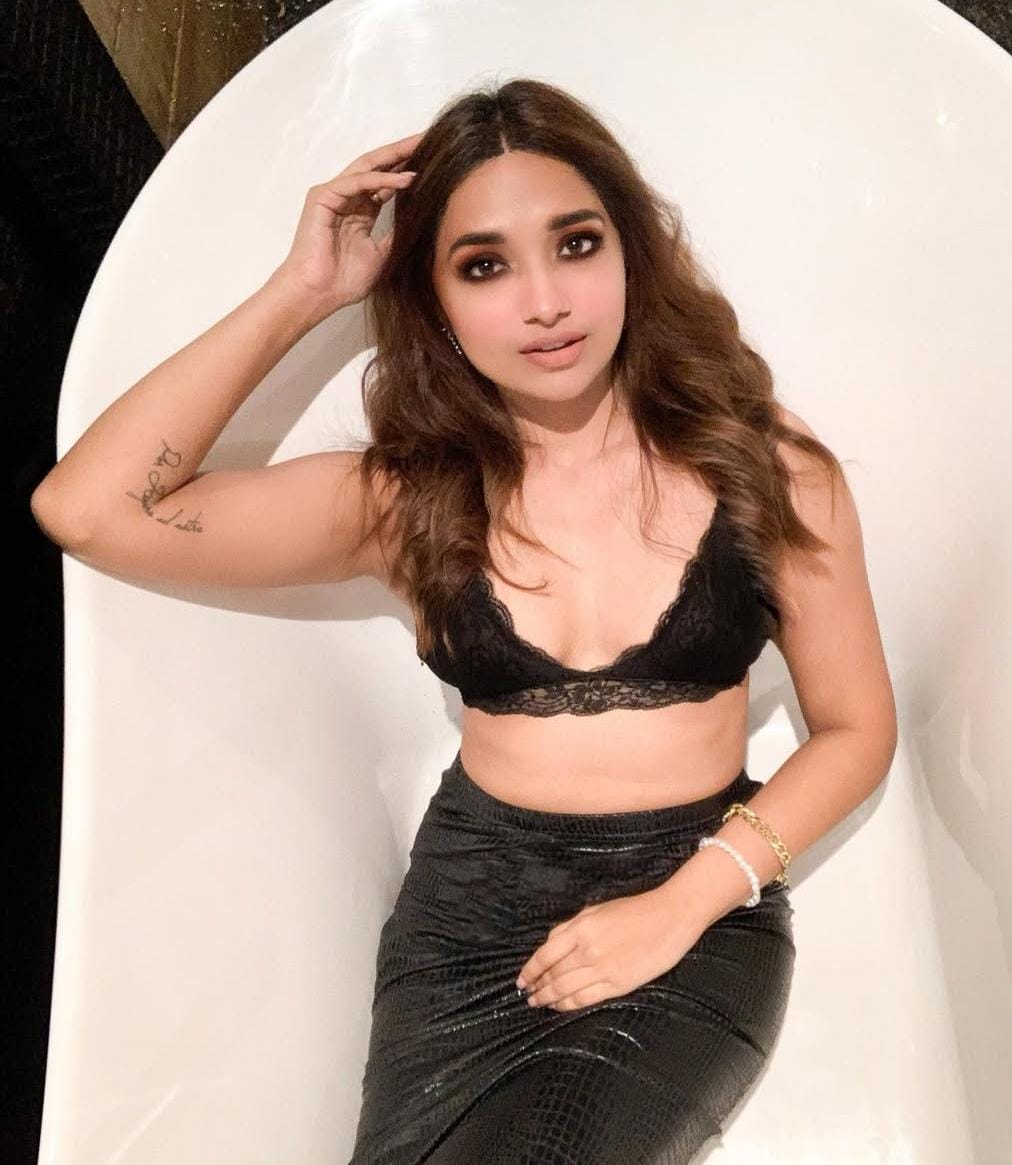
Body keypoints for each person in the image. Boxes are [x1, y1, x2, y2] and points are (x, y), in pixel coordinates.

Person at [32, 78, 897, 1165]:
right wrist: (303, 292)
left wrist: (682, 904)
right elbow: (89, 508)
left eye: (575, 245)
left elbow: (856, 727)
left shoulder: (765, 467)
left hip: (695, 902)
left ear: (630, 251)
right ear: (434, 301)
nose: (544, 301)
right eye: (484, 266)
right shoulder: (406, 498)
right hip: (469, 915)